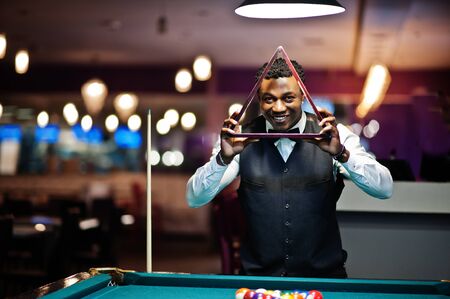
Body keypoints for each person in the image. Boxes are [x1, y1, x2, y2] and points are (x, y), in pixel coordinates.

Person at [186, 57, 393, 278]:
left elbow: (385, 188)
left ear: (303, 96)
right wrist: (222, 159)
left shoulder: (335, 134)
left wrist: (341, 153)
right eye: (269, 99)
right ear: (258, 98)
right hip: (259, 282)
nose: (278, 107)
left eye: (288, 98)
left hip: (323, 280)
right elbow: (194, 197)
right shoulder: (239, 138)